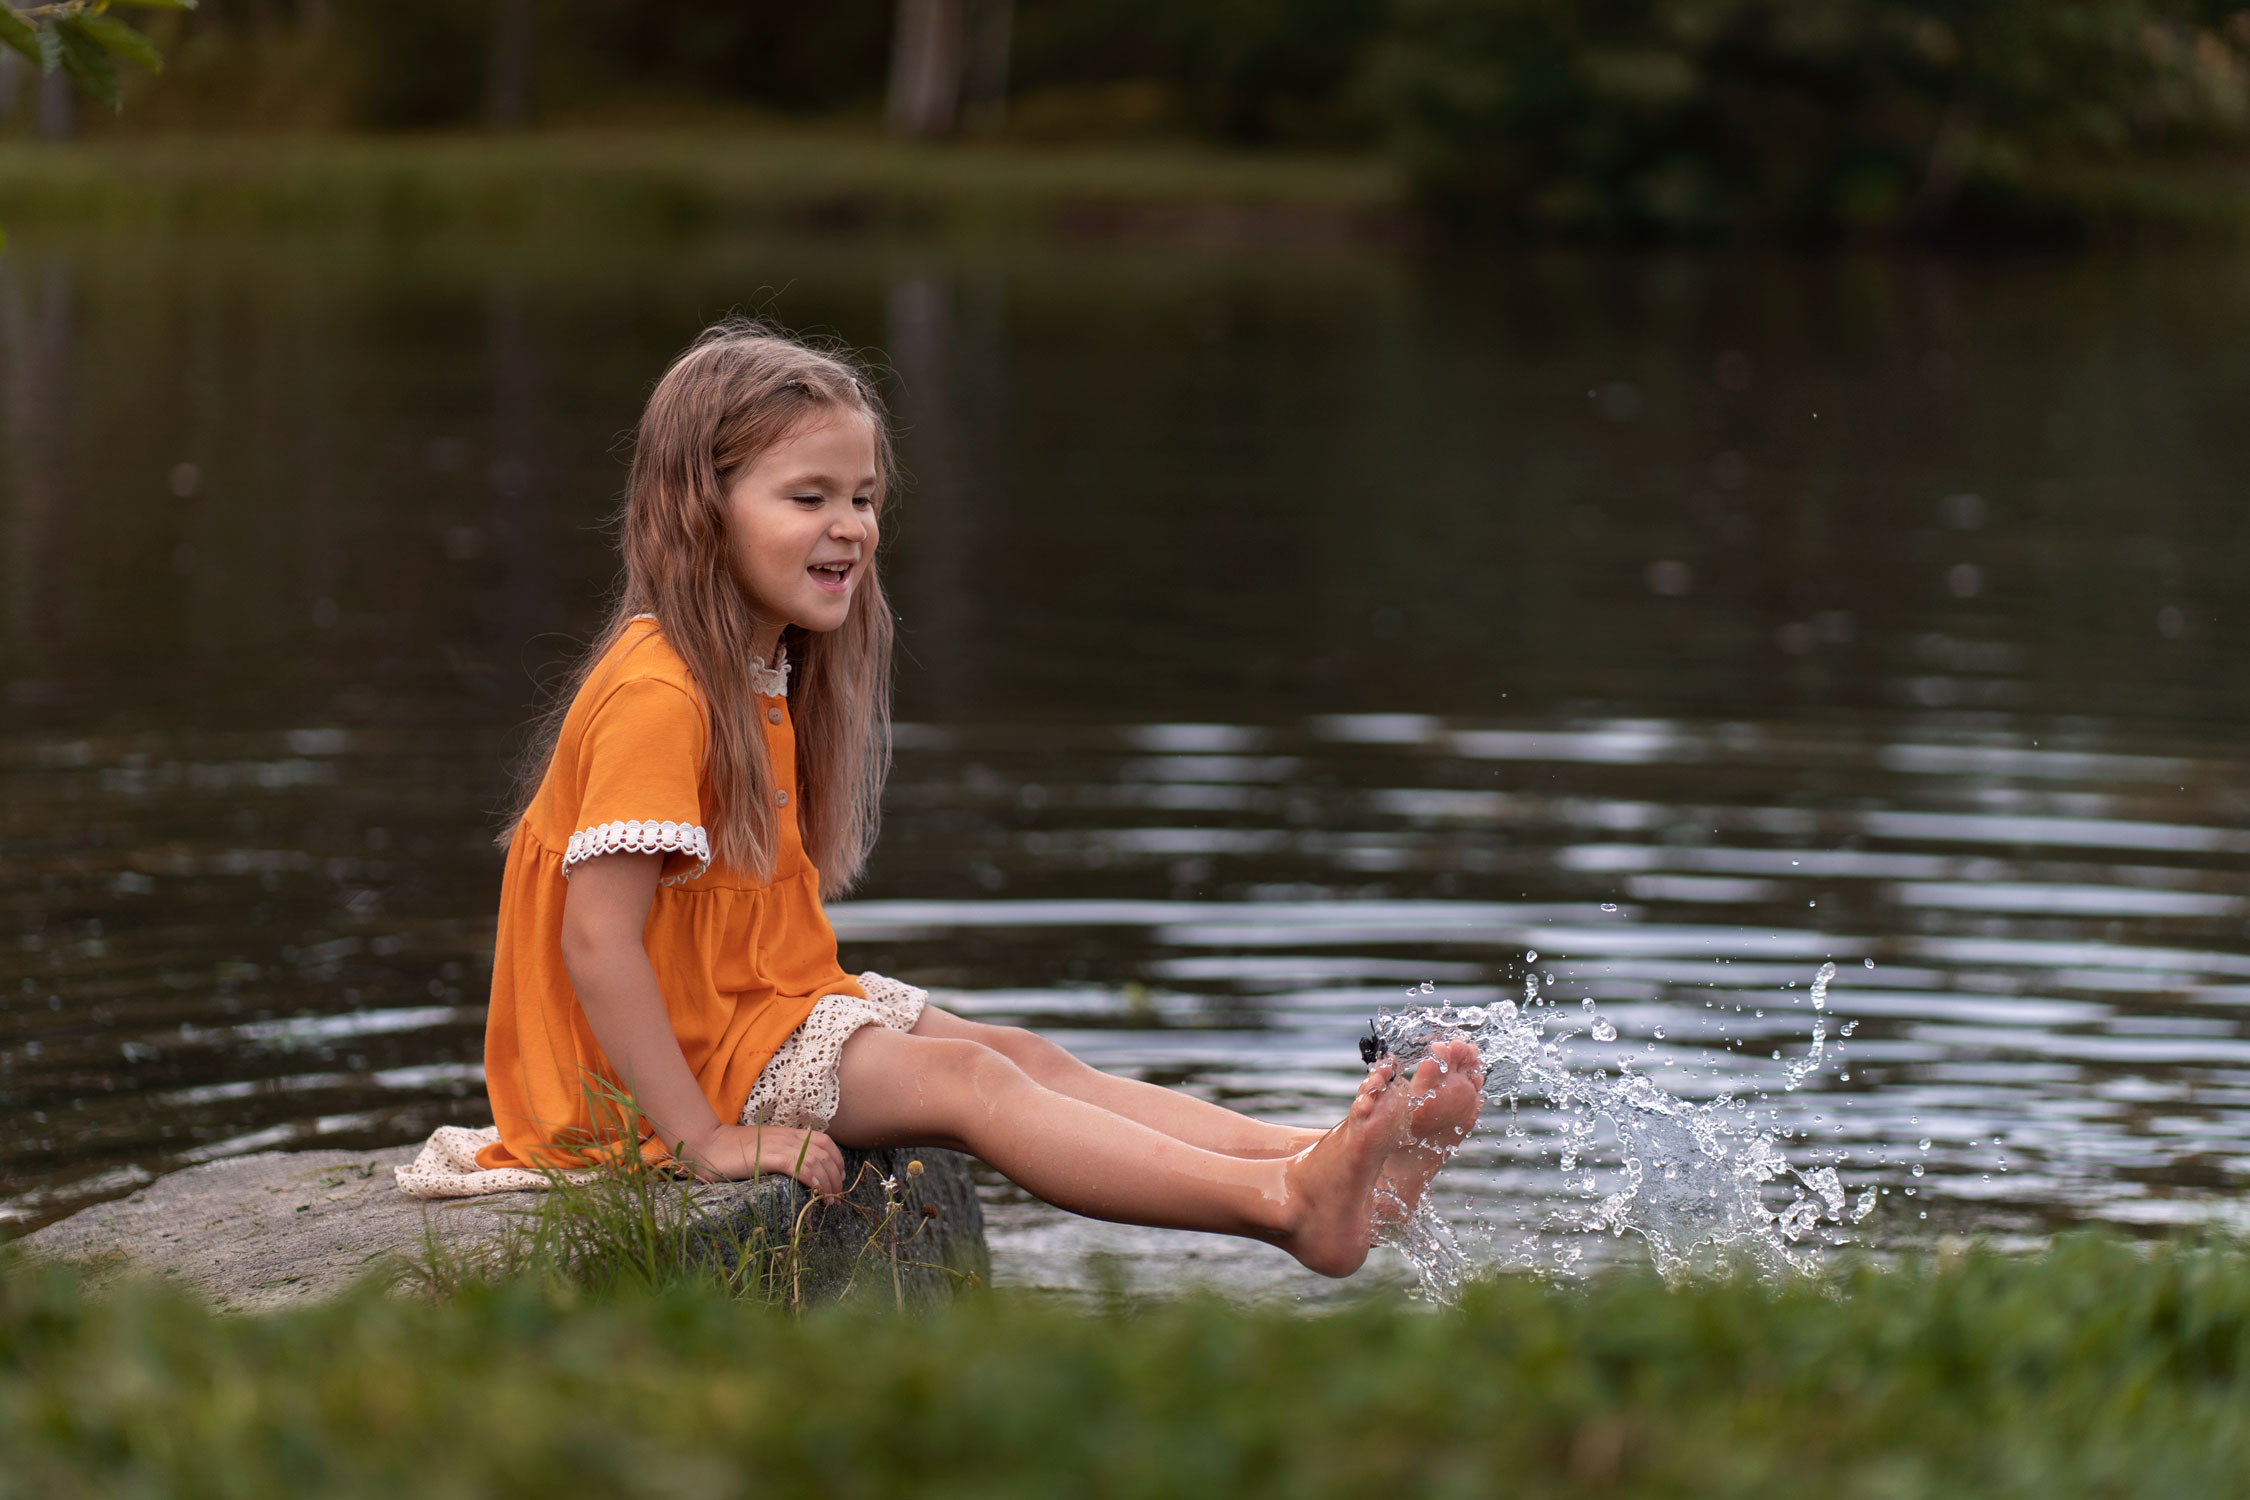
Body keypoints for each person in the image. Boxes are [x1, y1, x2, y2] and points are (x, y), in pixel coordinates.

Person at [470, 320, 1481, 1277]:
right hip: (652, 1083)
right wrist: (704, 1139)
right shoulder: (660, 688)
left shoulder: (750, 670)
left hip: (747, 1015)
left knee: (1025, 1055)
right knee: (974, 1085)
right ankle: (1289, 1206)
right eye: (807, 497)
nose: (848, 528)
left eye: (862, 499)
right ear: (702, 509)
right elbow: (597, 941)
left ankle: (1329, 1158)